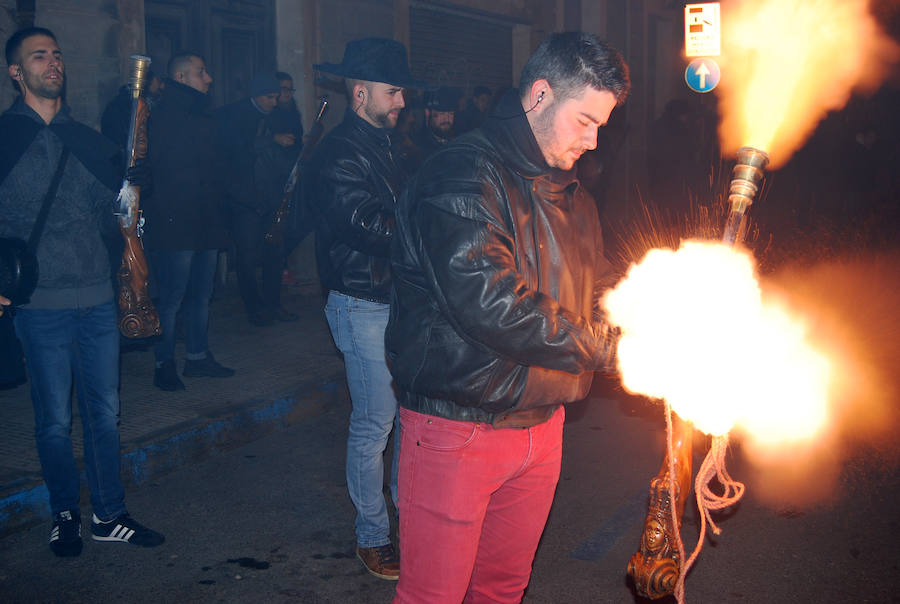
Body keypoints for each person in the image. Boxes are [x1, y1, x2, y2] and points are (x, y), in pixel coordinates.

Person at [385, 32, 630, 602]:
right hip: (459, 425)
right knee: (434, 595)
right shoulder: (462, 174)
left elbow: (600, 279)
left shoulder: (572, 193)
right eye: (585, 121)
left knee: (501, 589)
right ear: (540, 95)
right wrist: (613, 351)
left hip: (543, 425)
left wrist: (646, 310)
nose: (593, 142)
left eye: (602, 126)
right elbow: (489, 301)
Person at [0, 27, 165, 556]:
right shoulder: (5, 140)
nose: (53, 62)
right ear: (16, 72)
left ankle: (109, 515)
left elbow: (111, 217)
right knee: (52, 421)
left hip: (95, 297)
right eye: (39, 56)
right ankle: (65, 513)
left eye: (57, 53)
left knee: (105, 413)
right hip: (39, 303)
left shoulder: (87, 139)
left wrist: (132, 186)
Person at [306, 37, 425, 581]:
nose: (401, 102)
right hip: (361, 301)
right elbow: (368, 225)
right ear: (360, 93)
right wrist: (432, 238)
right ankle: (372, 535)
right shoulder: (338, 152)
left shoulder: (388, 144)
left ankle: (407, 519)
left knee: (404, 417)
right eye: (393, 91)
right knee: (374, 422)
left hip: (393, 299)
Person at [142, 51, 233, 391]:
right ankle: (164, 363)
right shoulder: (161, 117)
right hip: (176, 222)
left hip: (205, 221)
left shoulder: (205, 116)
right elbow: (156, 171)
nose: (208, 78)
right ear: (181, 77)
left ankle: (197, 357)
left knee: (201, 295)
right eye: (201, 72)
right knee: (171, 297)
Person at [216, 73, 298, 326]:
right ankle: (255, 308)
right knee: (248, 256)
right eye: (269, 97)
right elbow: (235, 152)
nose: (275, 102)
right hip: (245, 199)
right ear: (256, 95)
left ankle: (274, 304)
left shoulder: (280, 114)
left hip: (272, 194)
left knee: (274, 252)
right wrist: (270, 141)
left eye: (277, 96)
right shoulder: (232, 115)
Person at [100, 68, 164, 151]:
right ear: (152, 80)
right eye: (160, 80)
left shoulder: (125, 100)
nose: (162, 85)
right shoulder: (132, 106)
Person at [401, 86, 460, 174]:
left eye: (451, 114)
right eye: (441, 113)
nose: (447, 119)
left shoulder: (458, 143)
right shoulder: (415, 146)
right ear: (428, 113)